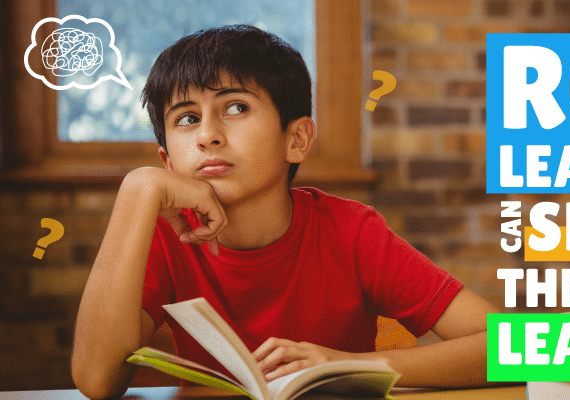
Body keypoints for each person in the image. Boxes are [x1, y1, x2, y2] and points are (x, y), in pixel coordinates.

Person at [71, 25, 498, 399]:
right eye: (185, 118)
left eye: (235, 108)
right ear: (168, 161)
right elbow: (96, 380)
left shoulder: (351, 232)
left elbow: (533, 349)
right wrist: (137, 190)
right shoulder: (163, 236)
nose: (207, 136)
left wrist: (349, 366)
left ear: (296, 139)